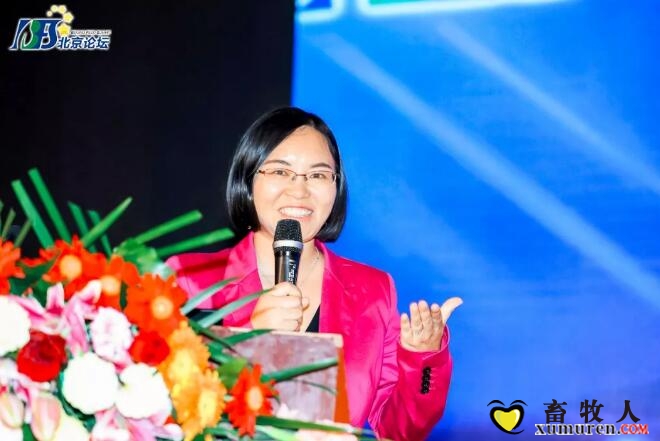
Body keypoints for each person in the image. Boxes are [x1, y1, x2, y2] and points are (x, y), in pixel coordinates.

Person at [166, 107, 462, 441]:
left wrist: (421, 357)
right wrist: (250, 338)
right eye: (281, 171)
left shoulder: (373, 291)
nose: (300, 190)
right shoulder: (190, 280)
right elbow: (166, 407)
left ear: (337, 187)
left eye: (318, 175)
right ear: (248, 179)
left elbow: (398, 430)